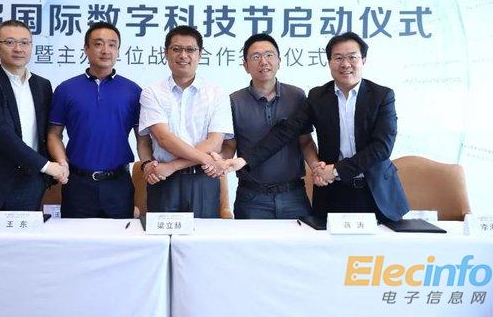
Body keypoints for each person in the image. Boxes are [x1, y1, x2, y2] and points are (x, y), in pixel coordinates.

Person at [225, 32, 409, 221]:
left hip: (376, 192)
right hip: (333, 191)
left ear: (363, 60)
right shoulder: (318, 97)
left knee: (381, 241)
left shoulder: (382, 96)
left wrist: (336, 170)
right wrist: (245, 160)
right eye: (338, 58)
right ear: (329, 62)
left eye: (352, 57)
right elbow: (286, 132)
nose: (345, 64)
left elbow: (382, 148)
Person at [0, 20, 68, 217]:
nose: (18, 49)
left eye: (25, 43)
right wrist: (47, 166)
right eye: (10, 42)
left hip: (31, 183)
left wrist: (59, 162)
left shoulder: (43, 85)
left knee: (25, 237)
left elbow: (47, 133)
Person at [47, 22, 151, 218]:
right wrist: (61, 162)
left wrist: (148, 164)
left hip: (118, 184)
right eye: (98, 44)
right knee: (74, 237)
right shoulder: (66, 89)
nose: (105, 50)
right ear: (86, 48)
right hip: (77, 183)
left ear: (118, 51)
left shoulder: (133, 91)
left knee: (121, 236)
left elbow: (143, 138)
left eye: (112, 45)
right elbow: (54, 134)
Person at [216, 33, 321, 219]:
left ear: (279, 61)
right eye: (256, 56)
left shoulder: (297, 96)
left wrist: (316, 167)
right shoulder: (234, 101)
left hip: (293, 195)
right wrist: (220, 161)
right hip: (252, 198)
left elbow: (305, 141)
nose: (263, 61)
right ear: (245, 65)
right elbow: (230, 145)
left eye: (269, 55)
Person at [138, 25, 233, 218]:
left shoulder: (217, 93)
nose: (183, 55)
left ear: (200, 54)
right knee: (162, 236)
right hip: (163, 182)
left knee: (203, 237)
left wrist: (172, 166)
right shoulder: (152, 92)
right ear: (166, 53)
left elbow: (215, 143)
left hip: (202, 180)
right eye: (176, 49)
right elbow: (164, 139)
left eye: (190, 49)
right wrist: (206, 158)